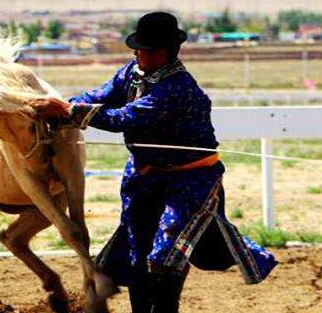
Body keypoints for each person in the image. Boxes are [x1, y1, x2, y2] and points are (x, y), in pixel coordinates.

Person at [34, 12, 277, 313]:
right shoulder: (131, 72)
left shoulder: (178, 88)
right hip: (145, 177)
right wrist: (64, 107)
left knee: (164, 256)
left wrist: (69, 110)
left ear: (163, 53)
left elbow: (124, 117)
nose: (136, 52)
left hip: (190, 182)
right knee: (137, 253)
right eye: (137, 47)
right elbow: (99, 96)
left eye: (144, 48)